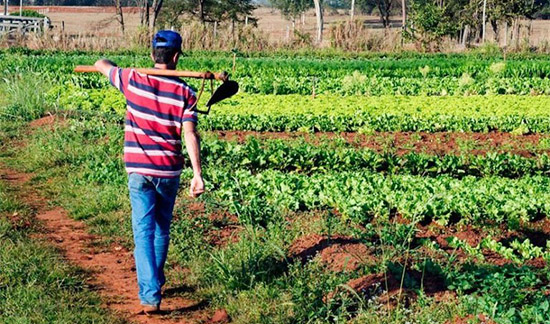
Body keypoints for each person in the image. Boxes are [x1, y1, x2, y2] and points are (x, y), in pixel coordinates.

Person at [93, 30, 204, 314]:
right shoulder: (186, 92)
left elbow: (100, 63)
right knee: (161, 229)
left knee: (143, 231)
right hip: (169, 170)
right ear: (177, 57)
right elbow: (190, 134)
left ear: (152, 55)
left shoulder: (131, 79)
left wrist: (108, 63)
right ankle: (154, 281)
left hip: (139, 170)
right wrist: (197, 173)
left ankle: (151, 295)